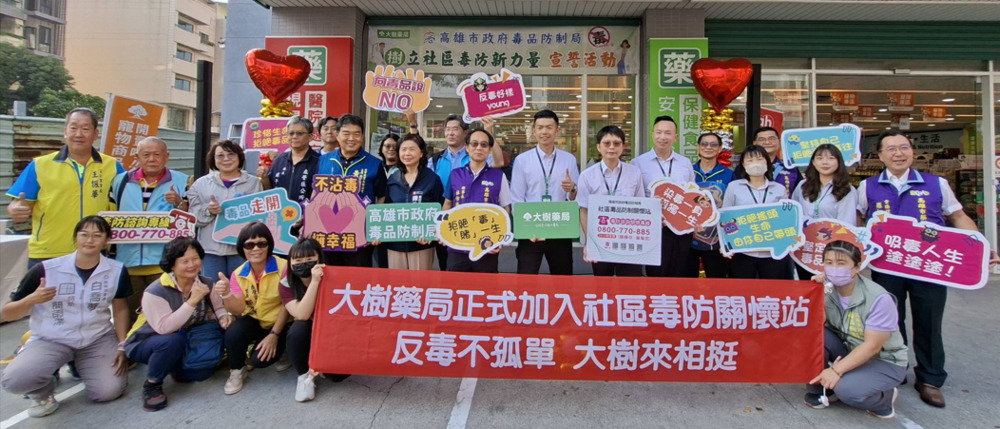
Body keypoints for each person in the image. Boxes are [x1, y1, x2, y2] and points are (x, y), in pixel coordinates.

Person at [857, 131, 1000, 408]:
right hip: (887, 265)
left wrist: (982, 247)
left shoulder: (937, 184)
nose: (898, 154)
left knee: (929, 321)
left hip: (929, 266)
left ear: (912, 152)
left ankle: (930, 378)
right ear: (881, 155)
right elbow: (859, 219)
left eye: (903, 147)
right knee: (889, 319)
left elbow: (957, 216)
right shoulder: (867, 187)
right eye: (891, 149)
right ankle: (894, 368)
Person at [1, 216, 130, 418]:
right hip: (52, 338)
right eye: (84, 234)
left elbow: (120, 309)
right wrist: (31, 299)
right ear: (75, 237)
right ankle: (43, 392)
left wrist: (122, 344)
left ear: (107, 240)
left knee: (108, 391)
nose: (90, 240)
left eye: (97, 235)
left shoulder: (117, 270)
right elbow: (7, 312)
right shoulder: (45, 269)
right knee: (15, 380)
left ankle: (80, 364)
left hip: (96, 338)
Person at [122, 237, 232, 411]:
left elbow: (218, 308)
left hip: (185, 337)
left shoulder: (206, 283)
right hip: (149, 341)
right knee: (171, 341)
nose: (192, 265)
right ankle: (152, 384)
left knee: (201, 373)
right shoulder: (156, 291)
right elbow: (164, 328)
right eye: (184, 261)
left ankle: (174, 366)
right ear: (172, 265)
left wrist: (223, 317)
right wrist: (192, 301)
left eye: (195, 259)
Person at [6, 107, 124, 268]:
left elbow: (127, 200)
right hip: (48, 252)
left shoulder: (112, 166)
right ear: (65, 132)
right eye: (73, 128)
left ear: (95, 134)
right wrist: (15, 209)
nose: (78, 134)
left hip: (95, 251)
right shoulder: (40, 165)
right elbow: (18, 203)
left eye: (85, 129)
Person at [804, 240, 908, 419]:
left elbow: (872, 347)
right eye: (829, 262)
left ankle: (884, 399)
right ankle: (822, 390)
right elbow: (817, 324)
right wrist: (816, 292)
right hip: (849, 347)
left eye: (841, 263)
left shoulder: (878, 298)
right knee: (810, 337)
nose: (834, 268)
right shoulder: (828, 288)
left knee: (846, 390)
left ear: (857, 267)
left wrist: (835, 371)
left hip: (883, 359)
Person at [111, 137, 190, 323]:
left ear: (167, 157)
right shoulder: (119, 181)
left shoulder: (183, 181)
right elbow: (110, 216)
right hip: (128, 261)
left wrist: (179, 202)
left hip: (165, 263)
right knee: (131, 316)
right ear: (137, 157)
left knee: (166, 316)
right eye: (146, 155)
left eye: (157, 154)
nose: (152, 159)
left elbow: (191, 219)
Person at [213, 221, 290, 395]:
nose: (256, 249)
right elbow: (238, 309)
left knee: (259, 361)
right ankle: (236, 371)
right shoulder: (237, 273)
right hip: (255, 320)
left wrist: (274, 335)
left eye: (262, 243)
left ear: (269, 245)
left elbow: (288, 304)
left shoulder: (284, 267)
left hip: (281, 322)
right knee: (233, 332)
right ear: (242, 248)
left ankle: (283, 349)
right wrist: (226, 294)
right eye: (249, 245)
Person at [428, 115, 504, 270]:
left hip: (480, 226)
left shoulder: (476, 155)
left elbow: (498, 162)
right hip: (450, 223)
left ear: (465, 133)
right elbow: (444, 199)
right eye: (447, 129)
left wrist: (489, 131)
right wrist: (440, 225)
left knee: (482, 272)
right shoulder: (435, 160)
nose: (450, 133)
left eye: (455, 129)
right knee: (448, 269)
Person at [509, 109, 579, 275]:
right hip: (532, 231)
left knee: (562, 279)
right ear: (534, 131)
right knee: (526, 280)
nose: (544, 132)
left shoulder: (569, 159)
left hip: (559, 228)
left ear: (557, 130)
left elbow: (575, 199)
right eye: (540, 127)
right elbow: (517, 199)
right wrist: (526, 229)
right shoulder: (522, 160)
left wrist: (572, 189)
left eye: (549, 127)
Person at [315, 114, 387, 267]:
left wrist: (375, 226)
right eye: (346, 133)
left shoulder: (375, 164)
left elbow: (382, 196)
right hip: (327, 233)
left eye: (356, 134)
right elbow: (314, 193)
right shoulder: (322, 161)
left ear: (362, 136)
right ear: (337, 135)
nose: (351, 138)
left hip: (360, 233)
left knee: (358, 275)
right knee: (330, 273)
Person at [281, 238, 347, 402]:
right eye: (297, 260)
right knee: (297, 330)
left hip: (331, 329)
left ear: (320, 259)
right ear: (290, 262)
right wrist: (315, 282)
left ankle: (322, 365)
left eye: (310, 258)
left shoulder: (335, 277)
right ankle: (304, 376)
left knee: (337, 376)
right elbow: (301, 314)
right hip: (307, 329)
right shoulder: (286, 283)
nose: (304, 263)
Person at [187, 140, 262, 278]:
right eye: (220, 156)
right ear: (213, 159)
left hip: (242, 249)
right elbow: (192, 217)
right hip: (210, 250)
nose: (226, 159)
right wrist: (208, 211)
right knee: (213, 288)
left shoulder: (253, 182)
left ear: (240, 157)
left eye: (231, 154)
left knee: (241, 287)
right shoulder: (201, 183)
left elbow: (259, 216)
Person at [577, 125, 645, 277]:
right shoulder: (587, 175)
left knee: (630, 284)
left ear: (623, 147)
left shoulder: (634, 172)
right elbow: (584, 211)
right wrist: (589, 243)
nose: (612, 147)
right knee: (602, 285)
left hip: (629, 240)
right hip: (600, 240)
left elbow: (641, 207)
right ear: (598, 147)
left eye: (617, 143)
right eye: (607, 143)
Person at [441, 128, 511, 273]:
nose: (479, 148)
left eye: (484, 145)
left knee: (485, 285)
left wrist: (500, 238)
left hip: (486, 245)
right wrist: (442, 230)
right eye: (474, 144)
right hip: (457, 245)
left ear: (490, 149)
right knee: (455, 284)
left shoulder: (498, 176)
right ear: (467, 147)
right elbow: (448, 203)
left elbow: (505, 208)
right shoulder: (455, 174)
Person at [636, 115, 696, 278]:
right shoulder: (638, 163)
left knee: (680, 271)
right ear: (652, 134)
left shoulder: (685, 163)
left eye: (668, 133)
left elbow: (692, 194)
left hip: (681, 228)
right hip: (654, 227)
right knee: (656, 273)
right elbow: (636, 198)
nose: (663, 137)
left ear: (675, 137)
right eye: (659, 132)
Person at [722, 144, 791, 280]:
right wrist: (725, 244)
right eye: (750, 160)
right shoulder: (734, 187)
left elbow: (785, 218)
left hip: (772, 250)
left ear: (767, 162)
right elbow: (725, 217)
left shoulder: (779, 189)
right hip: (743, 249)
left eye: (759, 159)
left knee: (772, 289)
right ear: (743, 164)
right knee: (743, 289)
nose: (755, 164)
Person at [791, 144, 858, 279]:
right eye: (820, 158)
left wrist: (837, 253)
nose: (825, 162)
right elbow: (794, 214)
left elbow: (847, 223)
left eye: (831, 158)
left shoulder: (847, 190)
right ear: (813, 162)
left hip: (831, 249)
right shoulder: (802, 186)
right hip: (805, 248)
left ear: (839, 162)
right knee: (806, 285)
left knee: (828, 287)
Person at [380, 134, 444, 270]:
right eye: (403, 149)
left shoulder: (432, 179)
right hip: (395, 243)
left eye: (412, 149)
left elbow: (442, 211)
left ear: (421, 153)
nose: (407, 153)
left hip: (422, 244)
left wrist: (432, 233)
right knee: (397, 281)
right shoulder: (393, 179)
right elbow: (386, 210)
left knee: (420, 281)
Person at [687, 132, 733, 278]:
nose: (708, 147)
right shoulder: (688, 172)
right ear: (698, 147)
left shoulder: (729, 174)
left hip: (717, 238)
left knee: (717, 280)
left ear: (719, 148)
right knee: (687, 279)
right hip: (689, 235)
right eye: (704, 144)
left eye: (713, 144)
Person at [258, 116, 321, 207]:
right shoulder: (279, 160)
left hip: (306, 213)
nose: (294, 137)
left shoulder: (319, 161)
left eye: (300, 133)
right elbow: (269, 191)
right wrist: (264, 178)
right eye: (291, 133)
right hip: (280, 213)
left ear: (310, 137)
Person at [374, 133, 401, 269]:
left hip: (396, 220)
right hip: (377, 219)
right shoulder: (375, 167)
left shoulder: (404, 170)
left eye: (395, 147)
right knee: (379, 260)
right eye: (387, 146)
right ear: (381, 148)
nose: (391, 149)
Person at [752, 126, 800, 198]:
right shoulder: (747, 167)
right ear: (754, 143)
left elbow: (801, 193)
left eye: (772, 138)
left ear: (779, 141)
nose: (767, 142)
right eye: (762, 139)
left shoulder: (790, 167)